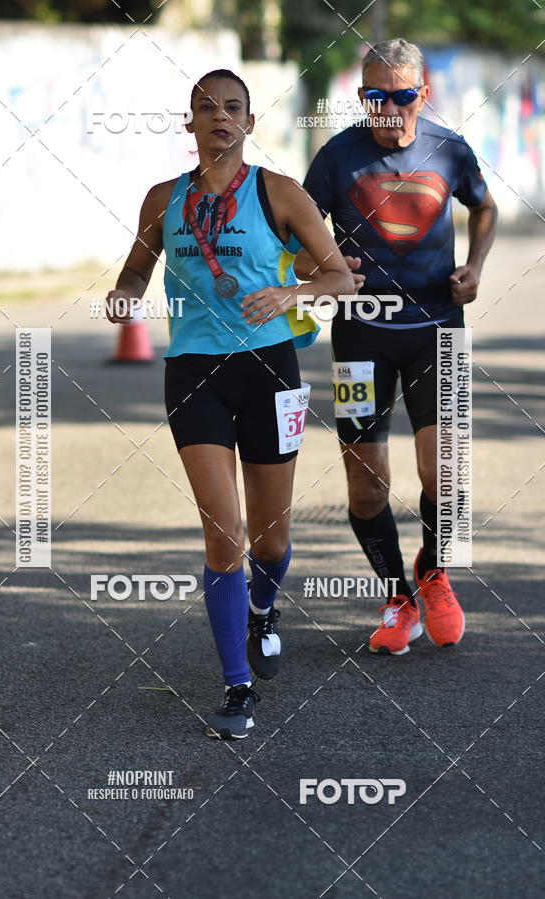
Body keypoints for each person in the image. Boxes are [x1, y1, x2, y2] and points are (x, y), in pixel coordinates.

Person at [106, 69, 355, 737]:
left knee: (271, 539)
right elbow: (137, 267)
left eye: (233, 107)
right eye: (206, 107)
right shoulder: (163, 199)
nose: (220, 116)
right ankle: (237, 685)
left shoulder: (279, 193)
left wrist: (289, 295)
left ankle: (263, 610)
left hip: (269, 370)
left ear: (249, 122)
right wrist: (124, 294)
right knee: (224, 534)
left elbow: (340, 278)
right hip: (193, 372)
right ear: (189, 122)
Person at [294, 39, 498, 655]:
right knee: (366, 486)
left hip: (439, 331)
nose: (388, 108)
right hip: (360, 338)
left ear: (422, 94)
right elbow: (295, 245)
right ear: (361, 97)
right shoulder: (335, 158)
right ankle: (397, 597)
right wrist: (320, 268)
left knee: (444, 471)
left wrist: (475, 267)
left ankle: (433, 572)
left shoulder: (449, 149)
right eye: (374, 96)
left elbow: (484, 208)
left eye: (402, 95)